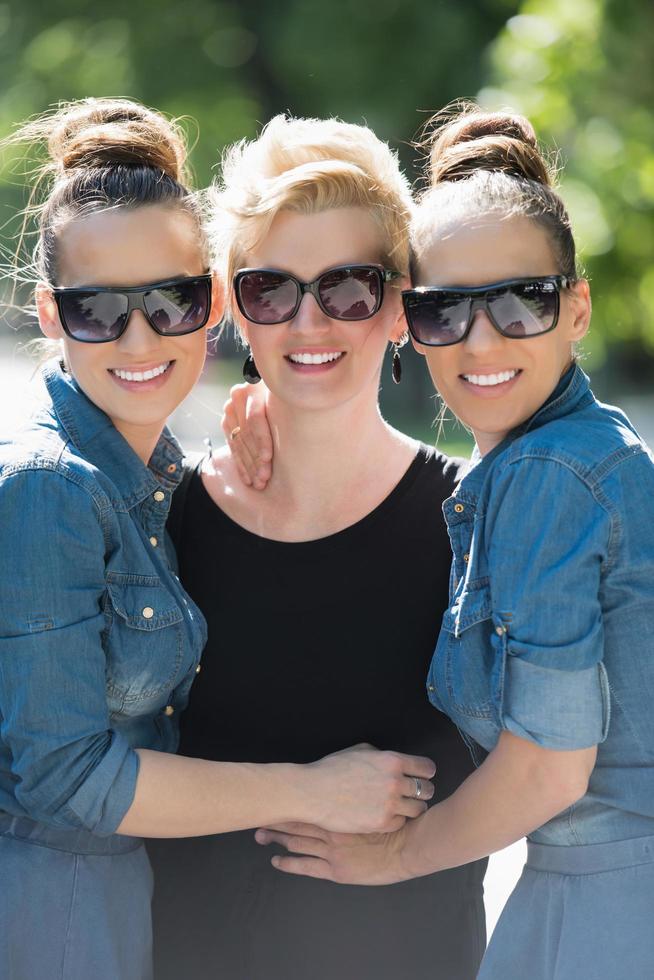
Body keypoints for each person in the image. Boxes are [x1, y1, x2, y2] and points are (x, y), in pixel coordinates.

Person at [0, 99, 435, 980]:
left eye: (172, 300)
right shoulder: (55, 486)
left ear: (211, 306)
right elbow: (65, 778)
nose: (139, 337)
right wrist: (311, 790)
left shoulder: (153, 477)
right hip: (66, 921)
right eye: (96, 310)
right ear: (50, 314)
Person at [254, 107, 654, 979]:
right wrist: (271, 413)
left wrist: (391, 859)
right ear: (408, 322)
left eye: (521, 302)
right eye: (444, 311)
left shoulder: (552, 478)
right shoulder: (564, 454)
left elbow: (549, 769)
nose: (480, 341)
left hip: (610, 912)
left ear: (576, 306)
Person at [148, 114, 488, 980]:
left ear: (401, 306)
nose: (309, 323)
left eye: (346, 288)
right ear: (233, 307)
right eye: (273, 290)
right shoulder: (162, 517)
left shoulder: (478, 518)